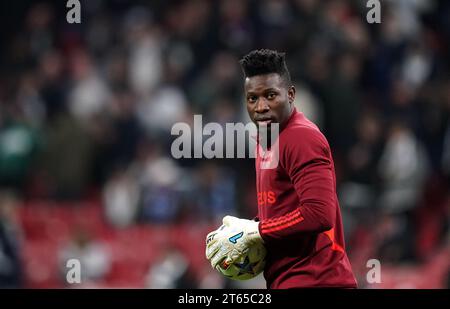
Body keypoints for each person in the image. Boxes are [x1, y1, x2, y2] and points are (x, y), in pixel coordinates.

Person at [205, 49, 357, 288]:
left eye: (270, 95)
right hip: (289, 281)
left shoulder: (302, 138)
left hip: (317, 281)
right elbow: (283, 211)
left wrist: (257, 230)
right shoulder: (265, 138)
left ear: (291, 94)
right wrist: (245, 231)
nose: (261, 106)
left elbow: (319, 214)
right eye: (252, 98)